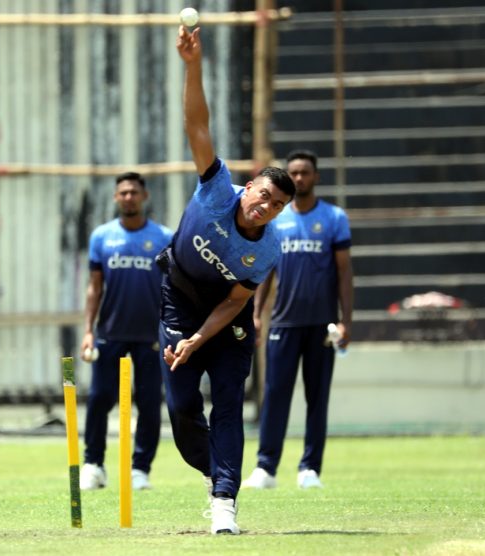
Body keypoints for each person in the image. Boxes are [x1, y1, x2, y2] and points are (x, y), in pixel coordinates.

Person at [157, 25, 295, 535]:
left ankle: (224, 499)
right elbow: (197, 124)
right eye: (262, 195)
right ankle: (213, 471)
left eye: (276, 206)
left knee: (230, 402)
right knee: (182, 406)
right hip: (177, 297)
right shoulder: (217, 191)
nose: (264, 207)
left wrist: (199, 340)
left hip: (225, 318)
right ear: (249, 186)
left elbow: (237, 301)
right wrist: (192, 66)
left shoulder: (268, 248)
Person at [242, 149, 354, 490]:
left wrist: (346, 319)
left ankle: (309, 469)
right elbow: (265, 269)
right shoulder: (277, 219)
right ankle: (266, 467)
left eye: (305, 172)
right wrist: (257, 315)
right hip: (283, 322)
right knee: (275, 394)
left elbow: (345, 271)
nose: (300, 178)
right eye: (294, 173)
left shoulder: (334, 218)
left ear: (316, 177)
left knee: (317, 397)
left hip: (321, 324)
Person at [79, 171, 173, 491]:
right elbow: (94, 289)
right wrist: (88, 331)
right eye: (123, 193)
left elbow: (174, 289)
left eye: (134, 192)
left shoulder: (163, 237)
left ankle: (140, 469)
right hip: (111, 332)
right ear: (116, 198)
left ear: (144, 196)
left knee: (148, 402)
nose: (129, 197)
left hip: (151, 335)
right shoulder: (102, 237)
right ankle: (94, 464)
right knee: (99, 399)